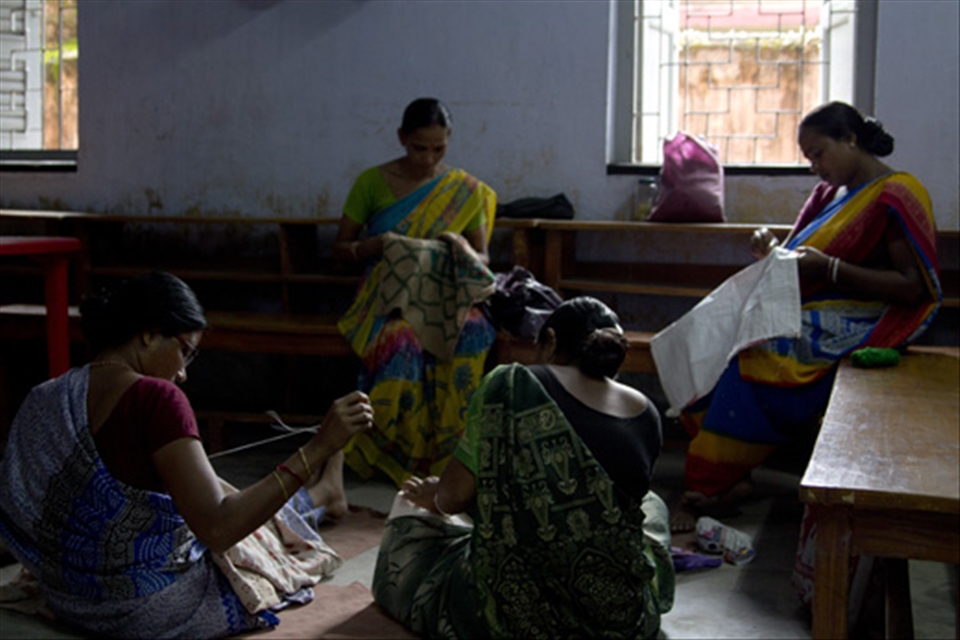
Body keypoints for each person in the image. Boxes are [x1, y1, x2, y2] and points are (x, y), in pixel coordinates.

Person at [0, 271, 374, 638]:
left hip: (70, 597)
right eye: (185, 351)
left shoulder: (47, 395)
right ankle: (324, 495)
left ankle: (325, 495)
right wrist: (319, 447)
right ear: (148, 333)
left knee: (226, 499)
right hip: (145, 607)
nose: (182, 373)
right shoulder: (156, 399)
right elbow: (218, 529)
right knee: (249, 539)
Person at [670, 101, 942, 533]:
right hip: (814, 308)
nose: (815, 167)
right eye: (808, 158)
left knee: (758, 354)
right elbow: (798, 253)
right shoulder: (827, 195)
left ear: (850, 140)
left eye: (819, 153)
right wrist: (771, 245)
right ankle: (732, 476)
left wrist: (829, 270)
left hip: (870, 317)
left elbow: (912, 286)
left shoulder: (895, 194)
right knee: (715, 334)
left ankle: (711, 484)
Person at [370, 297, 675, 639]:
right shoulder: (646, 411)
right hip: (621, 618)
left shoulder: (511, 386)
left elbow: (453, 498)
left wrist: (434, 497)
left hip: (516, 617)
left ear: (551, 341)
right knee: (652, 506)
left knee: (408, 530)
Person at [333, 97, 498, 487]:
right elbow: (341, 249)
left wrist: (457, 246)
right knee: (401, 340)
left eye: (438, 149)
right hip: (387, 295)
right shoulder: (371, 183)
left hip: (445, 295)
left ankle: (454, 455)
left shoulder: (464, 190)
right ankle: (390, 452)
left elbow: (483, 257)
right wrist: (379, 245)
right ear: (402, 138)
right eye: (418, 148)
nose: (427, 159)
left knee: (473, 332)